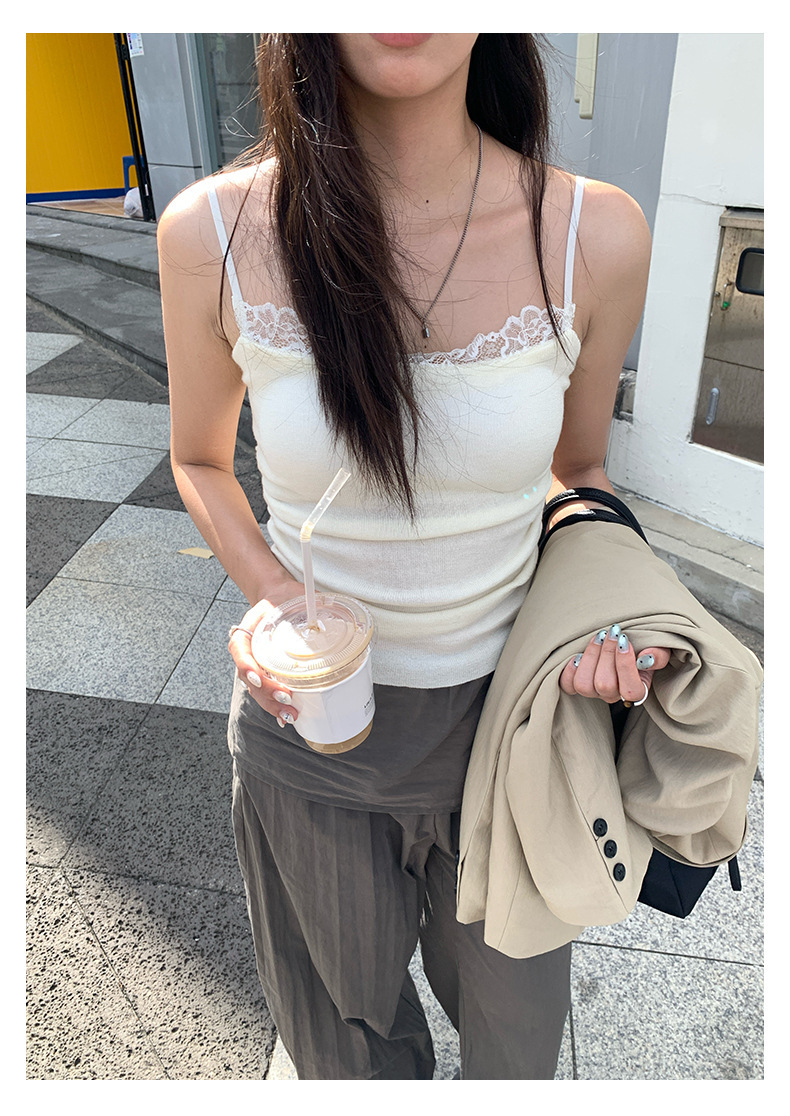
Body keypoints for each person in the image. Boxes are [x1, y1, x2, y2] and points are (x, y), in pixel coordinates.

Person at [157, 33, 669, 1080]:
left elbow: (580, 469)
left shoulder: (594, 232)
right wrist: (274, 599)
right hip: (313, 734)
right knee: (344, 1056)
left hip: (516, 732)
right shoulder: (214, 230)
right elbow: (200, 458)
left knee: (515, 1053)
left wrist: (614, 614)